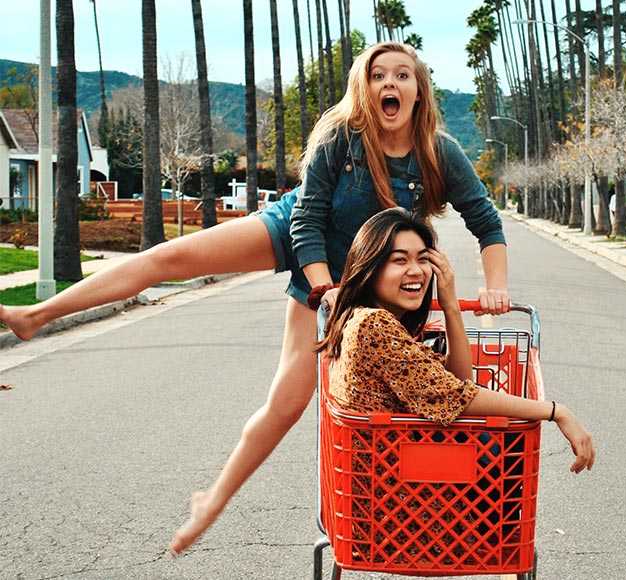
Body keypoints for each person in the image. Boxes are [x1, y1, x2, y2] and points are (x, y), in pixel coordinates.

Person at [0, 42, 510, 556]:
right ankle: (35, 315)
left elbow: (486, 223)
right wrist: (323, 293)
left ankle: (213, 500)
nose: (390, 85)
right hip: (299, 237)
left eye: (403, 75)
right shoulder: (343, 138)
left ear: (419, 90)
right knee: (168, 260)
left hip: (349, 276)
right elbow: (306, 220)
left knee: (287, 402)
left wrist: (496, 288)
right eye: (378, 75)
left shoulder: (438, 152)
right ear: (366, 86)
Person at [318, 208, 595, 474]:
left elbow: (460, 380)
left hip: (392, 475)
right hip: (394, 495)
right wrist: (555, 412)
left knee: (488, 437)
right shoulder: (373, 325)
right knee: (502, 444)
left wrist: (450, 303)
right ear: (370, 267)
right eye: (400, 260)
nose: (416, 271)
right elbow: (456, 395)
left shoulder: (368, 320)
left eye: (423, 259)